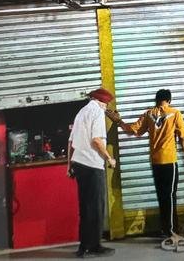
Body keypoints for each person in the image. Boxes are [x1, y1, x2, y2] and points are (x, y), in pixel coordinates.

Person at [106, 89, 184, 253]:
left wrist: (118, 121)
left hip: (156, 162)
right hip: (169, 161)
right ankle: (171, 231)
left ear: (156, 100)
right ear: (169, 100)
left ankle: (167, 228)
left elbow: (132, 130)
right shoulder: (175, 113)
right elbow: (183, 137)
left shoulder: (148, 114)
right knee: (170, 196)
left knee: (162, 196)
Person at [67, 88, 117, 258]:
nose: (106, 107)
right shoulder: (97, 112)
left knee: (85, 208)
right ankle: (94, 246)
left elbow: (71, 141)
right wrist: (109, 158)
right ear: (102, 102)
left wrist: (69, 166)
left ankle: (83, 247)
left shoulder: (81, 112)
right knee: (96, 208)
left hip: (79, 164)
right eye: (106, 104)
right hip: (92, 165)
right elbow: (96, 140)